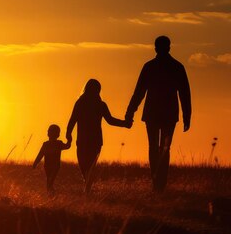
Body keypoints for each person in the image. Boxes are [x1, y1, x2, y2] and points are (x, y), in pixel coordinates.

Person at [125, 35, 191, 193]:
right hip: (165, 114)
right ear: (168, 47)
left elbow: (139, 92)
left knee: (156, 148)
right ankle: (159, 183)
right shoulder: (176, 67)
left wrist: (130, 112)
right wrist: (186, 115)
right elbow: (185, 94)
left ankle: (158, 182)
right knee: (162, 148)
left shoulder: (152, 66)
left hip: (155, 113)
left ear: (157, 48)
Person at [66, 79, 131, 194]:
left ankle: (87, 191)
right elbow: (110, 121)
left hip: (85, 140)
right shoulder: (89, 104)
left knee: (86, 167)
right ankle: (87, 189)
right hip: (93, 141)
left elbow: (72, 120)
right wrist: (124, 124)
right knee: (88, 167)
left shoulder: (87, 103)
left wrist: (69, 134)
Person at [33, 124, 71, 194]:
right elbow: (40, 155)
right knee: (49, 181)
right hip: (48, 166)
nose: (49, 133)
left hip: (55, 166)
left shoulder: (58, 144)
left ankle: (52, 194)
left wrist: (69, 140)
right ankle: (51, 194)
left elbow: (67, 146)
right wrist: (35, 163)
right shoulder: (46, 144)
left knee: (50, 181)